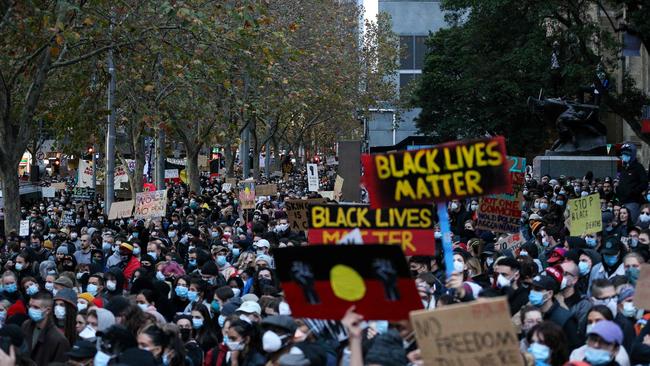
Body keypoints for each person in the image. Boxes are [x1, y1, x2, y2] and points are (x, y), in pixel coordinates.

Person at [21, 291, 71, 364]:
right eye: (30, 306)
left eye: (36, 307)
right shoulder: (25, 325)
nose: (31, 310)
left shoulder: (59, 339)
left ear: (48, 310)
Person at [617, 142, 647, 222]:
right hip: (622, 201)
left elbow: (644, 183)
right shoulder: (624, 168)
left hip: (633, 201)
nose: (623, 156)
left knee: (630, 222)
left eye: (626, 154)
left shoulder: (638, 167)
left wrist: (633, 192)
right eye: (622, 153)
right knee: (622, 223)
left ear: (632, 154)